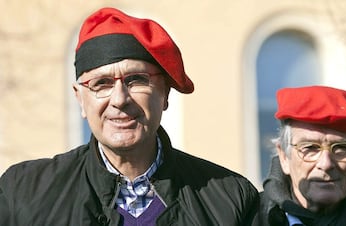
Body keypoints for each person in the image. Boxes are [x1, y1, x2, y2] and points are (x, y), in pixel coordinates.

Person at [0, 7, 259, 226]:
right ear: (80, 98)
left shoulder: (231, 200)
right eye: (101, 83)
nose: (120, 99)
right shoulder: (23, 194)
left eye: (136, 80)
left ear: (165, 94)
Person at [259, 85, 346, 226]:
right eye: (310, 148)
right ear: (284, 156)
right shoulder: (248, 217)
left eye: (340, 148)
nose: (326, 164)